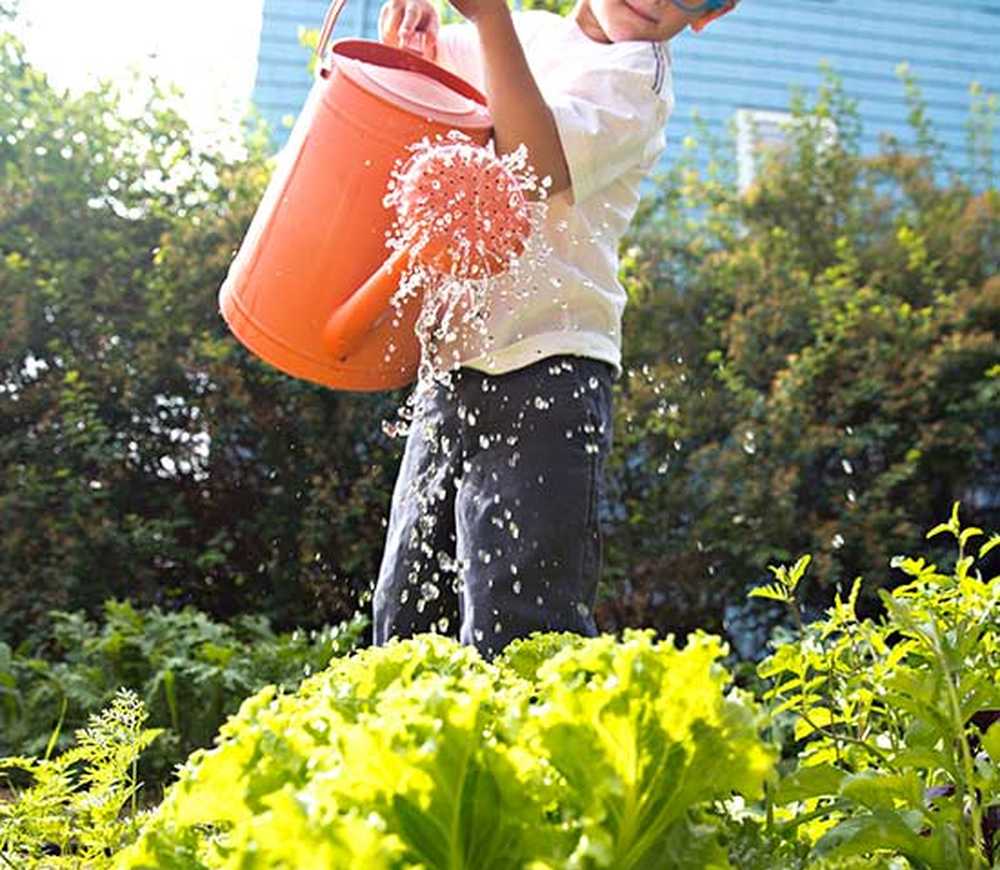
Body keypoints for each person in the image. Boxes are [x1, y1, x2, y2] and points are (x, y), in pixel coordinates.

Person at [372, 0, 738, 658]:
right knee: (407, 606)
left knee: (518, 617)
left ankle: (534, 754)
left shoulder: (635, 82)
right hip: (455, 369)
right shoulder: (529, 37)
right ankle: (422, 755)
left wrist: (490, 20)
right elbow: (425, 84)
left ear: (712, 14)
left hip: (551, 373)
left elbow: (532, 166)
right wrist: (416, 38)